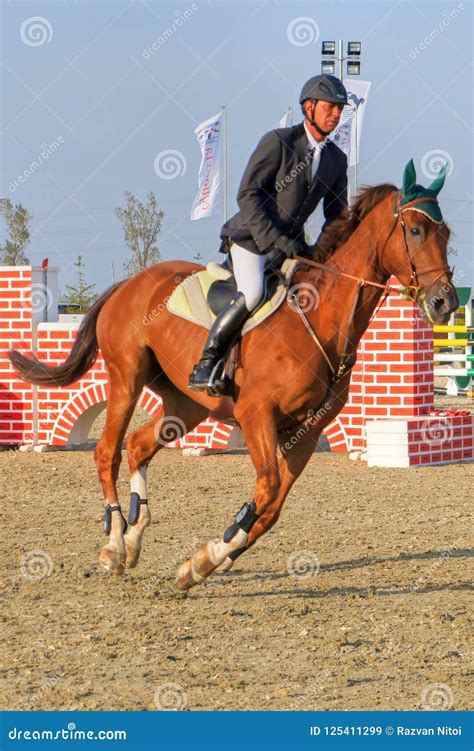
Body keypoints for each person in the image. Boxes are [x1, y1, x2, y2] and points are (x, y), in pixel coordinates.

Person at [188, 74, 349, 393]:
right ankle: (207, 362)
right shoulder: (279, 141)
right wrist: (276, 240)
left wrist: (322, 250)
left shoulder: (335, 159)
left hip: (292, 245)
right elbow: (248, 194)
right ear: (309, 107)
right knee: (254, 293)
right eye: (330, 107)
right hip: (251, 237)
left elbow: (336, 215)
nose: (335, 114)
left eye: (340, 110)